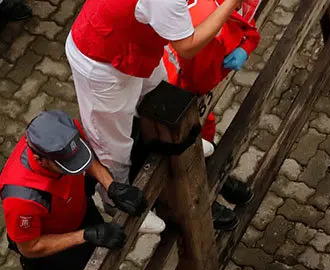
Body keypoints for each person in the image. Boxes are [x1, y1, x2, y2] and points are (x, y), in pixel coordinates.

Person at [66, 0, 245, 234]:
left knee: (160, 92)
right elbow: (187, 46)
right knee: (113, 144)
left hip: (137, 43)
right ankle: (115, 200)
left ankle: (171, 141)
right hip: (101, 63)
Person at [0, 110, 147, 270]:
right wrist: (84, 236)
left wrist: (111, 186)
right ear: (40, 159)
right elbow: (30, 247)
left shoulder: (67, 133)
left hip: (82, 215)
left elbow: (84, 158)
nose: (75, 168)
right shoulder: (21, 197)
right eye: (65, 166)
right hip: (55, 255)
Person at [161, 0, 260, 230]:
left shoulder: (227, 11)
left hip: (187, 84)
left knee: (205, 136)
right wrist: (238, 49)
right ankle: (199, 200)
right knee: (183, 154)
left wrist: (245, 48)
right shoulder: (210, 34)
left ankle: (213, 177)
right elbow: (203, 80)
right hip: (177, 96)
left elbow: (248, 24)